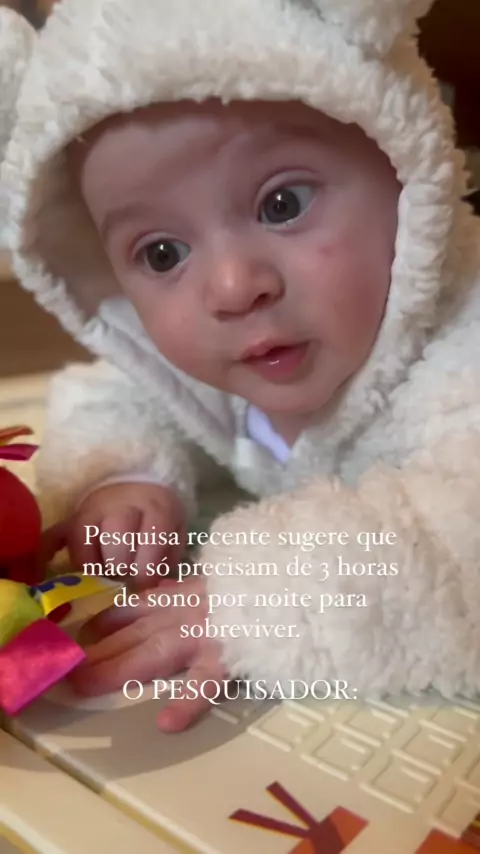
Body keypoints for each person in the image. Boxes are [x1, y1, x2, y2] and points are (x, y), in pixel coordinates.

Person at [1, 0, 479, 733]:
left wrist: (258, 595)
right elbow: (117, 394)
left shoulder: (461, 352)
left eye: (282, 204)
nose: (232, 287)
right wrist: (125, 477)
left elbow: (464, 542)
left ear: (407, 168)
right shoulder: (208, 354)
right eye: (162, 253)